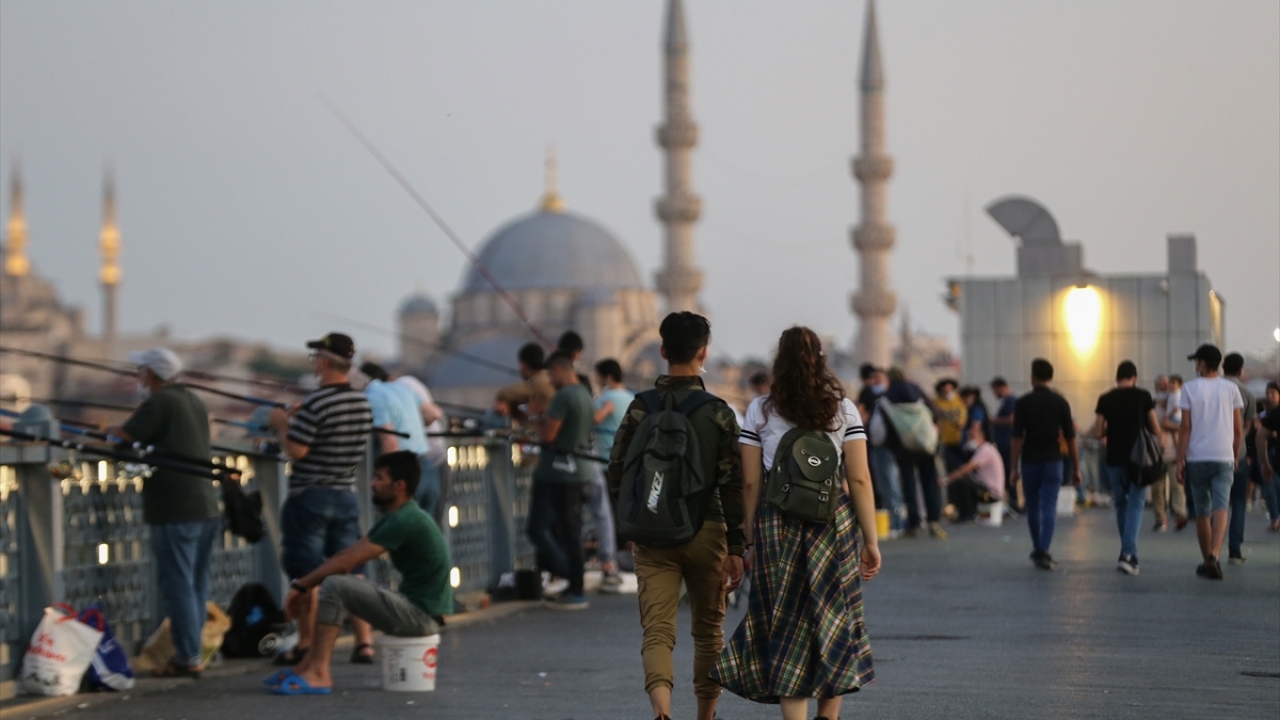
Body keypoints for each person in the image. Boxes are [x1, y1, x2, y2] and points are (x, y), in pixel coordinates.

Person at [712, 326, 879, 720]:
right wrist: (870, 540)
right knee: (834, 614)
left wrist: (748, 536)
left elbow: (750, 481)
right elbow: (858, 479)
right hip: (832, 523)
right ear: (820, 360)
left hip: (777, 524)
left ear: (778, 363)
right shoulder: (844, 409)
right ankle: (828, 716)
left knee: (786, 621)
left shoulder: (760, 410)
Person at [607, 311, 746, 720]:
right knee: (708, 634)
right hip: (708, 531)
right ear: (704, 352)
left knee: (657, 631)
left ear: (663, 350)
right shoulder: (719, 412)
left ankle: (663, 713)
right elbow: (732, 483)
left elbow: (617, 469)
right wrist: (736, 546)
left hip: (653, 533)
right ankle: (705, 716)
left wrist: (632, 521)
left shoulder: (639, 407)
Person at [265, 451, 452, 695]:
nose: (372, 483)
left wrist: (301, 586)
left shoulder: (405, 520)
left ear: (399, 486)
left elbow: (345, 561)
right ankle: (307, 666)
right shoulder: (400, 515)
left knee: (336, 585)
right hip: (418, 611)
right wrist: (307, 584)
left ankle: (319, 672)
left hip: (421, 618)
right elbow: (351, 552)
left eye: (379, 478)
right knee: (343, 584)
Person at [106, 348, 219, 678]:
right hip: (205, 506)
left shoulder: (160, 401)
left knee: (179, 585)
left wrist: (112, 433)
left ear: (152, 375)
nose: (139, 378)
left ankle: (188, 656)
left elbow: (125, 434)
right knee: (197, 585)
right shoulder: (193, 399)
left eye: (141, 372)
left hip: (175, 507)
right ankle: (193, 652)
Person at [266, 333, 374, 664]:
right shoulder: (361, 402)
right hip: (345, 495)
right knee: (350, 569)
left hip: (310, 496)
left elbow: (298, 450)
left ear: (325, 362)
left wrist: (283, 425)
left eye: (316, 357)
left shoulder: (315, 403)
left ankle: (306, 645)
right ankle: (364, 642)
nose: (313, 363)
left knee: (307, 571)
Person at [528, 351, 595, 609]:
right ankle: (573, 582)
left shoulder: (563, 396)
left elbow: (549, 436)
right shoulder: (584, 395)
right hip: (579, 472)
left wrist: (536, 417)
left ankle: (572, 581)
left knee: (538, 528)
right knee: (571, 531)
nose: (548, 380)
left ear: (557, 370)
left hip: (556, 474)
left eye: (549, 374)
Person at [1177, 344, 1244, 580]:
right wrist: (1235, 455)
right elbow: (1238, 430)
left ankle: (1207, 560)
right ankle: (1214, 555)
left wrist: (1180, 461)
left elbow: (1185, 428)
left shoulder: (1189, 388)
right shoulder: (1231, 389)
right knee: (1221, 507)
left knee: (1203, 512)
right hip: (1223, 457)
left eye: (1197, 361)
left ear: (1203, 364)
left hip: (1197, 457)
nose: (1196, 365)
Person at [1010, 358, 1080, 571]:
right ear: (1051, 377)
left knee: (1033, 505)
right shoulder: (1061, 403)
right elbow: (1070, 438)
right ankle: (1044, 549)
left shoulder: (1022, 403)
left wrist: (1013, 468)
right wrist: (1076, 468)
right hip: (1054, 460)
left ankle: (1037, 548)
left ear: (1032, 377)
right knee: (1049, 505)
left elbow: (1016, 438)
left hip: (1030, 460)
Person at [1092, 361, 1161, 576]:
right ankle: (1128, 554)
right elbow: (1155, 428)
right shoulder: (1143, 396)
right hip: (1139, 458)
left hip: (1114, 457)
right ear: (1135, 377)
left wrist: (1111, 432)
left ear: (1117, 378)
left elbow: (1097, 432)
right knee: (1136, 503)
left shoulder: (1105, 398)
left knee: (1121, 504)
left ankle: (1128, 553)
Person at [360, 362, 435, 517]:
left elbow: (389, 443)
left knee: (397, 533)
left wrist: (387, 483)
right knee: (425, 532)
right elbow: (433, 414)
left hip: (403, 476)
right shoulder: (403, 388)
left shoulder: (373, 397)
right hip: (427, 467)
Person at [884, 367, 946, 539]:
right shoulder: (916, 390)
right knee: (929, 482)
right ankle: (934, 521)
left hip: (904, 447)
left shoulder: (888, 396)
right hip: (925, 444)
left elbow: (883, 424)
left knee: (909, 484)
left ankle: (914, 523)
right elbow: (936, 411)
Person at [591, 358, 634, 592]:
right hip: (628, 463)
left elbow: (596, 418)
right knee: (621, 510)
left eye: (599, 377)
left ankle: (613, 557)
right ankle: (621, 554)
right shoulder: (630, 398)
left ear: (607, 377)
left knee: (609, 512)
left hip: (608, 464)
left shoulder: (608, 399)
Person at [392, 373, 449, 518]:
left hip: (422, 461)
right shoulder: (409, 383)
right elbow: (436, 413)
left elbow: (433, 414)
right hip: (437, 458)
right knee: (432, 522)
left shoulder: (401, 385)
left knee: (413, 520)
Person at [1221, 353, 1258, 565]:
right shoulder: (1247, 393)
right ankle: (1234, 549)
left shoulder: (1213, 388)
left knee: (1216, 502)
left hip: (1212, 452)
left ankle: (1211, 548)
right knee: (1238, 501)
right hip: (1240, 453)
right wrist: (1250, 453)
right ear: (1240, 370)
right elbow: (1251, 429)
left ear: (1222, 367)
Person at [861, 365, 903, 536]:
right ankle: (895, 522)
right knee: (889, 484)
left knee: (888, 485)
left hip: (883, 447)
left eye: (879, 378)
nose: (875, 382)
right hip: (888, 447)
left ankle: (895, 523)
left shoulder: (883, 398)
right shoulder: (889, 397)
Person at [941, 423, 1005, 523]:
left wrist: (945, 480)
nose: (969, 440)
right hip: (987, 491)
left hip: (990, 494)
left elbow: (965, 470)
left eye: (972, 436)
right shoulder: (986, 449)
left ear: (981, 436)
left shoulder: (985, 450)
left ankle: (967, 514)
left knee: (961, 481)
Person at [1151, 375, 1189, 532]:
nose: (1162, 387)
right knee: (1157, 489)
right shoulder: (1151, 407)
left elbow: (1184, 426)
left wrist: (1169, 427)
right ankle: (1160, 518)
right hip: (1156, 453)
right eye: (1159, 385)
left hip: (1175, 452)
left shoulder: (1177, 404)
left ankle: (1179, 515)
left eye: (1165, 385)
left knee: (1177, 486)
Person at [494, 342, 555, 424]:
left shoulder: (539, 381)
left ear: (522, 365)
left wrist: (506, 404)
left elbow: (504, 393)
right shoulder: (548, 376)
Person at [990, 377, 1019, 511]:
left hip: (1007, 444)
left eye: (995, 390)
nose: (994, 394)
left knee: (1009, 472)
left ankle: (1013, 502)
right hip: (1004, 443)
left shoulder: (1011, 401)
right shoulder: (1007, 402)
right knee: (1006, 472)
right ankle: (1011, 502)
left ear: (1001, 387)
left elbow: (1012, 419)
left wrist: (994, 421)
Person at [1255, 381, 1280, 532]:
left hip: (1272, 456)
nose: (1270, 397)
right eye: (1268, 393)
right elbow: (1259, 434)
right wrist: (1264, 462)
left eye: (1273, 394)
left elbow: (1260, 435)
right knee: (1270, 487)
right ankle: (1275, 518)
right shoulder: (1267, 414)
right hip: (1272, 455)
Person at [934, 378, 967, 472]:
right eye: (945, 390)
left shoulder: (960, 401)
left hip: (959, 439)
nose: (948, 392)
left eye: (950, 389)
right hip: (944, 440)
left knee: (961, 465)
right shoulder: (937, 402)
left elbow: (962, 421)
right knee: (949, 466)